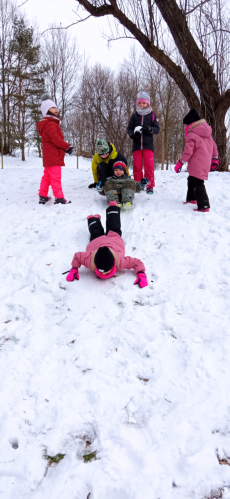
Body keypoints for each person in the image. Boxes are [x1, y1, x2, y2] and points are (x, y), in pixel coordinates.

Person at [65, 203, 148, 288]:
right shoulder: (90, 261)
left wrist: (141, 274)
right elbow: (78, 257)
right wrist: (74, 269)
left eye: (106, 271)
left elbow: (136, 263)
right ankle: (95, 218)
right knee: (106, 230)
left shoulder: (120, 261)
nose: (104, 273)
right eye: (102, 271)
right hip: (103, 241)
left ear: (114, 263)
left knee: (104, 231)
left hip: (108, 241)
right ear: (95, 264)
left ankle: (106, 212)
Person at [174, 109, 219, 212]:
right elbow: (214, 148)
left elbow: (188, 152)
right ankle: (192, 198)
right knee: (191, 179)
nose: (185, 127)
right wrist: (215, 159)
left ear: (190, 123)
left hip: (196, 164)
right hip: (205, 163)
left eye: (185, 125)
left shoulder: (191, 134)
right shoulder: (208, 135)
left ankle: (204, 205)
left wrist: (180, 162)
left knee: (198, 183)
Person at [37, 94, 73, 205]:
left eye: (56, 108)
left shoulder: (48, 124)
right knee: (55, 178)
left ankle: (42, 196)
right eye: (52, 108)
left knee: (47, 177)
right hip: (53, 158)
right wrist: (67, 146)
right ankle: (59, 198)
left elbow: (54, 141)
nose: (55, 110)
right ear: (46, 110)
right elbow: (56, 140)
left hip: (49, 158)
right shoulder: (51, 124)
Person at [127, 91, 160, 194]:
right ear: (138, 103)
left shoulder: (152, 115)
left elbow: (157, 129)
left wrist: (149, 129)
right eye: (140, 103)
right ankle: (138, 184)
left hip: (148, 145)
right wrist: (132, 134)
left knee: (149, 166)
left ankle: (149, 185)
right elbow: (129, 129)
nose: (142, 105)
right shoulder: (134, 116)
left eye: (144, 103)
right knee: (137, 165)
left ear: (148, 103)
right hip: (136, 146)